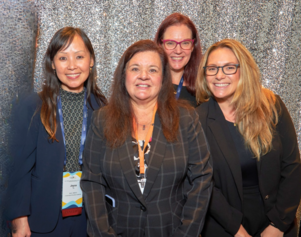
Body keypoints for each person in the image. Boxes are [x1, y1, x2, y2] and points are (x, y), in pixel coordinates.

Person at [81, 40, 212, 237]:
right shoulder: (102, 120)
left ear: (163, 78)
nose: (143, 76)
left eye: (152, 70)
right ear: (124, 75)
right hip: (117, 230)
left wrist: (186, 233)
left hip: (171, 230)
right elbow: (92, 182)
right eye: (135, 68)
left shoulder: (186, 119)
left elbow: (202, 179)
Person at [196, 39, 301, 237]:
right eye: (212, 68)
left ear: (243, 70)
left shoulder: (272, 106)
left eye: (229, 67)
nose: (219, 75)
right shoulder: (197, 120)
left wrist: (278, 225)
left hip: (278, 225)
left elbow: (292, 167)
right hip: (225, 227)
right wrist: (237, 230)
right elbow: (204, 184)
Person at [6, 27, 107, 237]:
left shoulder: (104, 109)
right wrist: (19, 219)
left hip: (89, 219)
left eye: (79, 56)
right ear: (52, 63)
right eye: (63, 57)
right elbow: (19, 170)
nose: (72, 65)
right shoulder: (33, 107)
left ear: (91, 60)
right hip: (42, 218)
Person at [154, 13, 201, 107]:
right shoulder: (149, 84)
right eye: (170, 43)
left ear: (192, 46)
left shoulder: (204, 86)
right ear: (160, 44)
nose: (178, 51)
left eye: (185, 43)